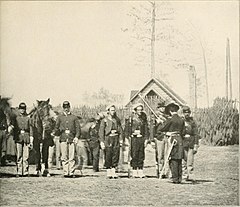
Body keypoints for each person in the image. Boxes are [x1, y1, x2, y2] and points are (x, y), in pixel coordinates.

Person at [156, 102, 185, 184]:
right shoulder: (181, 120)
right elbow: (183, 131)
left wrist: (161, 125)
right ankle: (179, 178)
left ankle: (175, 178)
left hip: (173, 140)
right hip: (179, 139)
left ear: (170, 111)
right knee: (179, 158)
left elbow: (163, 129)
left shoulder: (170, 119)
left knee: (173, 158)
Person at [53, 101, 80, 177]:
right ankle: (65, 172)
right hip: (63, 138)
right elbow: (56, 127)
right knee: (64, 156)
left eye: (67, 107)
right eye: (65, 108)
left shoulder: (74, 117)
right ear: (63, 108)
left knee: (71, 156)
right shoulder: (60, 117)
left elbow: (78, 129)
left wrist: (76, 137)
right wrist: (55, 132)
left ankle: (71, 172)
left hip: (71, 138)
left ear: (69, 107)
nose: (66, 109)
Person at [125, 103, 149, 178]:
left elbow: (146, 128)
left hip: (141, 138)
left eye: (141, 110)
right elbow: (127, 129)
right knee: (134, 154)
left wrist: (146, 139)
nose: (140, 111)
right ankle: (134, 170)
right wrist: (128, 137)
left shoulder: (143, 117)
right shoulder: (131, 118)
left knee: (141, 154)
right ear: (135, 110)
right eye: (138, 110)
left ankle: (140, 170)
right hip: (134, 138)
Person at [99, 105, 123, 178]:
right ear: (108, 111)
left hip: (115, 138)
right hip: (108, 138)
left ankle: (113, 170)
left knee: (115, 154)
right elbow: (101, 131)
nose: (113, 112)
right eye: (112, 110)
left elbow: (120, 130)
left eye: (114, 110)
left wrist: (121, 139)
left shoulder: (117, 120)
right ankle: (108, 171)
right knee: (108, 154)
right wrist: (102, 141)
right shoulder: (104, 120)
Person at [15, 102, 34, 177]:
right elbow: (15, 129)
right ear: (19, 109)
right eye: (21, 109)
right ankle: (19, 171)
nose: (22, 110)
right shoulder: (16, 118)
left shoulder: (28, 118)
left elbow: (31, 129)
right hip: (19, 137)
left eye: (23, 109)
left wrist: (31, 138)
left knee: (26, 156)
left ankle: (25, 171)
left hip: (26, 137)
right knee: (19, 155)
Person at [153, 101, 170, 178]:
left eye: (163, 107)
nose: (162, 109)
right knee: (160, 156)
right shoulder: (155, 116)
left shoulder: (167, 116)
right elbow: (152, 128)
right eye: (161, 107)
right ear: (158, 108)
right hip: (159, 137)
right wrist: (157, 123)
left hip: (167, 136)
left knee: (168, 155)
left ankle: (166, 171)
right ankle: (160, 171)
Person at [182, 106, 199, 181]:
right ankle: (184, 174)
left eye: (188, 112)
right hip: (183, 142)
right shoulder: (181, 121)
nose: (187, 114)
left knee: (190, 160)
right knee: (183, 159)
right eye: (185, 113)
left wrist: (196, 144)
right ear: (183, 113)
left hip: (191, 142)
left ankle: (190, 174)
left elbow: (196, 134)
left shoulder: (192, 122)